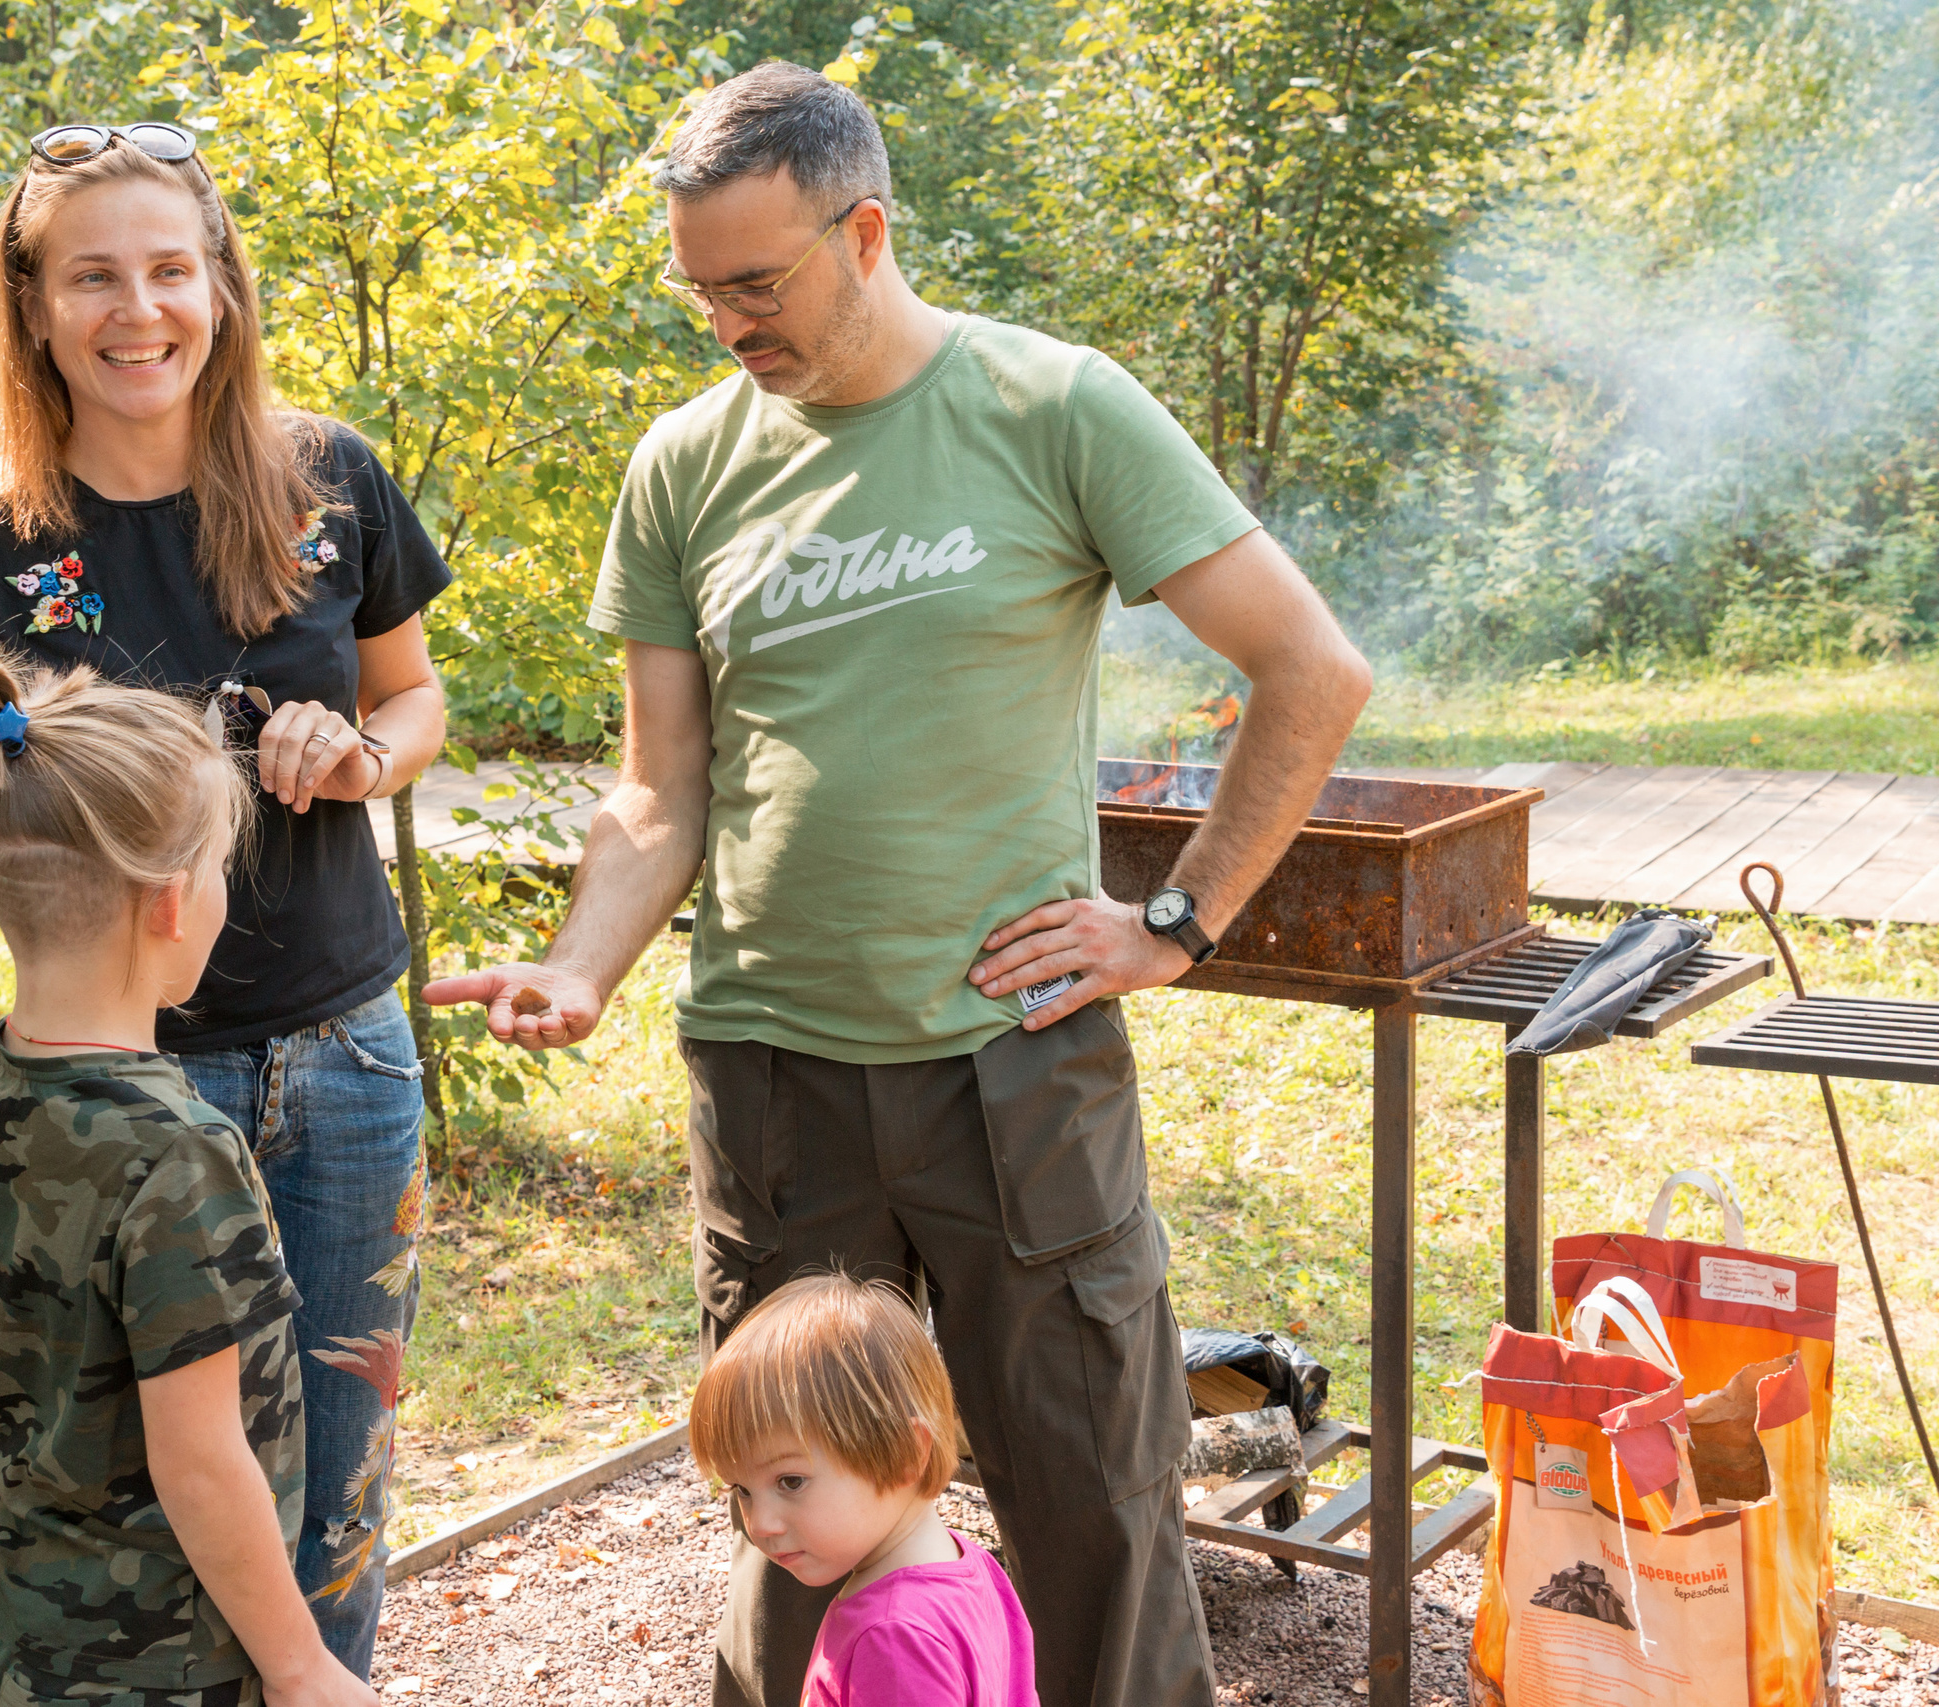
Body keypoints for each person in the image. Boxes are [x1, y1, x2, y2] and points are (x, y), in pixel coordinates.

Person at [425, 61, 1374, 1707]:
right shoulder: (686, 463)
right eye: (698, 289)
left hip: (1016, 1065)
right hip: (774, 1073)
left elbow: (1311, 666)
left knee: (1095, 1504)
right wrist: (583, 963)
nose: (726, 321)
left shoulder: (1054, 405)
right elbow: (662, 786)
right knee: (797, 1512)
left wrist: (1175, 923)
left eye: (756, 282)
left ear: (864, 233)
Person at [0, 121, 448, 1670]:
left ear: (220, 286)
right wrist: (81, 829)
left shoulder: (329, 478)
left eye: (169, 270)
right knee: (147, 1501)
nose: (139, 311)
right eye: (93, 277)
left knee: (334, 1494)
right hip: (113, 1095)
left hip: (347, 1058)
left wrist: (363, 756)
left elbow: (415, 698)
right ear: (31, 302)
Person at [0, 636, 379, 1707]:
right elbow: (201, 1461)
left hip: (17, 1643)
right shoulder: (180, 1152)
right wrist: (302, 1665)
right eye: (218, 871)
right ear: (171, 902)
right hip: (167, 1669)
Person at [690, 1273, 1039, 1707]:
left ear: (906, 1453)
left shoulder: (891, 1639)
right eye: (742, 1489)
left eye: (790, 1481)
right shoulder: (972, 1567)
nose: (759, 1524)